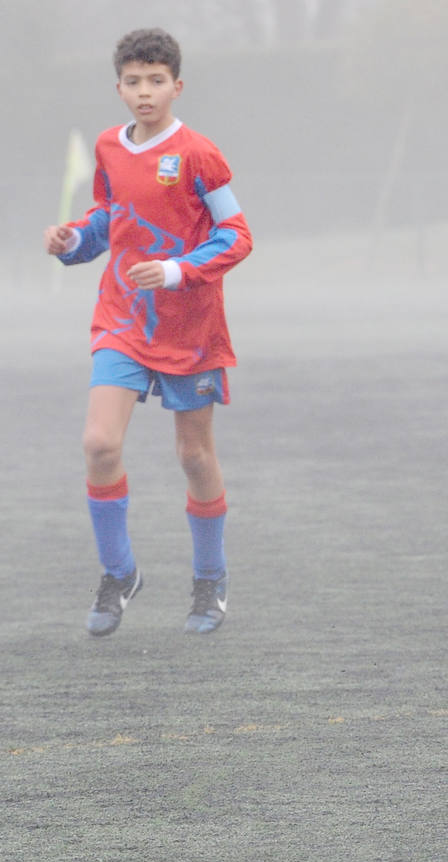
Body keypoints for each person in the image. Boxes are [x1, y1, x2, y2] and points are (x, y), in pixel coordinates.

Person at [43, 28, 252, 637]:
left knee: (193, 456)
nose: (144, 92)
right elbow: (110, 218)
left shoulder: (199, 154)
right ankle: (119, 574)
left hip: (191, 328)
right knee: (99, 445)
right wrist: (74, 240)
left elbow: (237, 233)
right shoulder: (110, 148)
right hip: (123, 319)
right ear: (119, 87)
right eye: (133, 81)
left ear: (176, 86)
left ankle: (210, 579)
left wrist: (176, 269)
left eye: (155, 80)